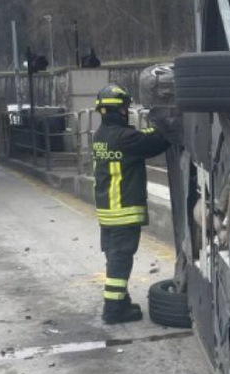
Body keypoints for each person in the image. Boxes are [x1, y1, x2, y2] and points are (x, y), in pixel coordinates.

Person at [92, 84, 169, 324]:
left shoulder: (101, 136)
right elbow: (156, 139)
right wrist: (169, 121)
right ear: (119, 110)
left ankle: (120, 301)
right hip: (122, 211)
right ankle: (113, 310)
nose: (127, 111)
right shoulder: (125, 138)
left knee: (114, 257)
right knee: (121, 259)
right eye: (125, 107)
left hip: (107, 212)